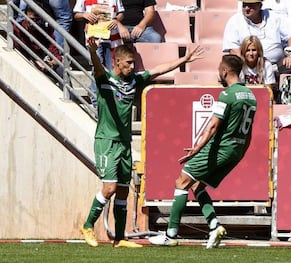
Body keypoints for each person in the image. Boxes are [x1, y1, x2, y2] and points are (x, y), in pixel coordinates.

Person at [80, 37, 203, 248]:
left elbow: (158, 70)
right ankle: (88, 225)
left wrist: (184, 59)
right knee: (108, 188)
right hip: (107, 141)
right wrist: (92, 52)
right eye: (128, 63)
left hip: (124, 143)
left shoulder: (134, 80)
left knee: (122, 191)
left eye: (133, 63)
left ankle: (119, 238)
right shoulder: (105, 80)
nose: (132, 66)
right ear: (117, 62)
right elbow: (98, 67)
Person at [149, 54, 257, 248]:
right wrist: (241, 152)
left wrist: (196, 149)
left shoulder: (227, 94)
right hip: (236, 150)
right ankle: (215, 226)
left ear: (225, 71)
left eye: (219, 68)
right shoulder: (251, 96)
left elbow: (213, 125)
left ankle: (171, 235)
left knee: (182, 181)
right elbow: (249, 132)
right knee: (197, 186)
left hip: (220, 148)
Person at [223, 0, 291, 102]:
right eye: (244, 5)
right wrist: (253, 64)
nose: (247, 8)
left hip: (275, 64)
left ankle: (290, 104)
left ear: (260, 5)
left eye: (250, 6)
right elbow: (233, 49)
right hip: (248, 64)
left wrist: (290, 54)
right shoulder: (234, 21)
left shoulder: (274, 17)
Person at [73, 0, 124, 107]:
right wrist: (84, 15)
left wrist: (116, 20)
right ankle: (96, 102)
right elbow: (76, 15)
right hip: (94, 37)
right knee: (96, 68)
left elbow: (121, 13)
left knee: (112, 70)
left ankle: (111, 100)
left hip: (112, 38)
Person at [13, 4, 64, 87]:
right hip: (25, 61)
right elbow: (18, 51)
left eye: (37, 20)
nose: (34, 23)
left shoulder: (44, 29)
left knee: (62, 71)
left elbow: (53, 49)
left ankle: (70, 99)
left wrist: (53, 62)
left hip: (43, 61)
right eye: (31, 19)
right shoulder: (18, 29)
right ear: (25, 16)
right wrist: (34, 61)